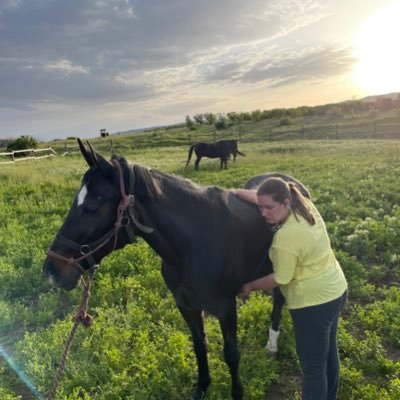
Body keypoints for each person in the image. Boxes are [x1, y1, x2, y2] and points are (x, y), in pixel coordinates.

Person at [230, 177, 347, 400]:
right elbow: (259, 198)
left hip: (313, 304)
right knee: (329, 354)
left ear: (285, 202)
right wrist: (235, 192)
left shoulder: (286, 238)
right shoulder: (304, 206)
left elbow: (281, 278)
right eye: (260, 206)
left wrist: (250, 286)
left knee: (313, 369)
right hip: (336, 291)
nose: (263, 213)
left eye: (269, 208)